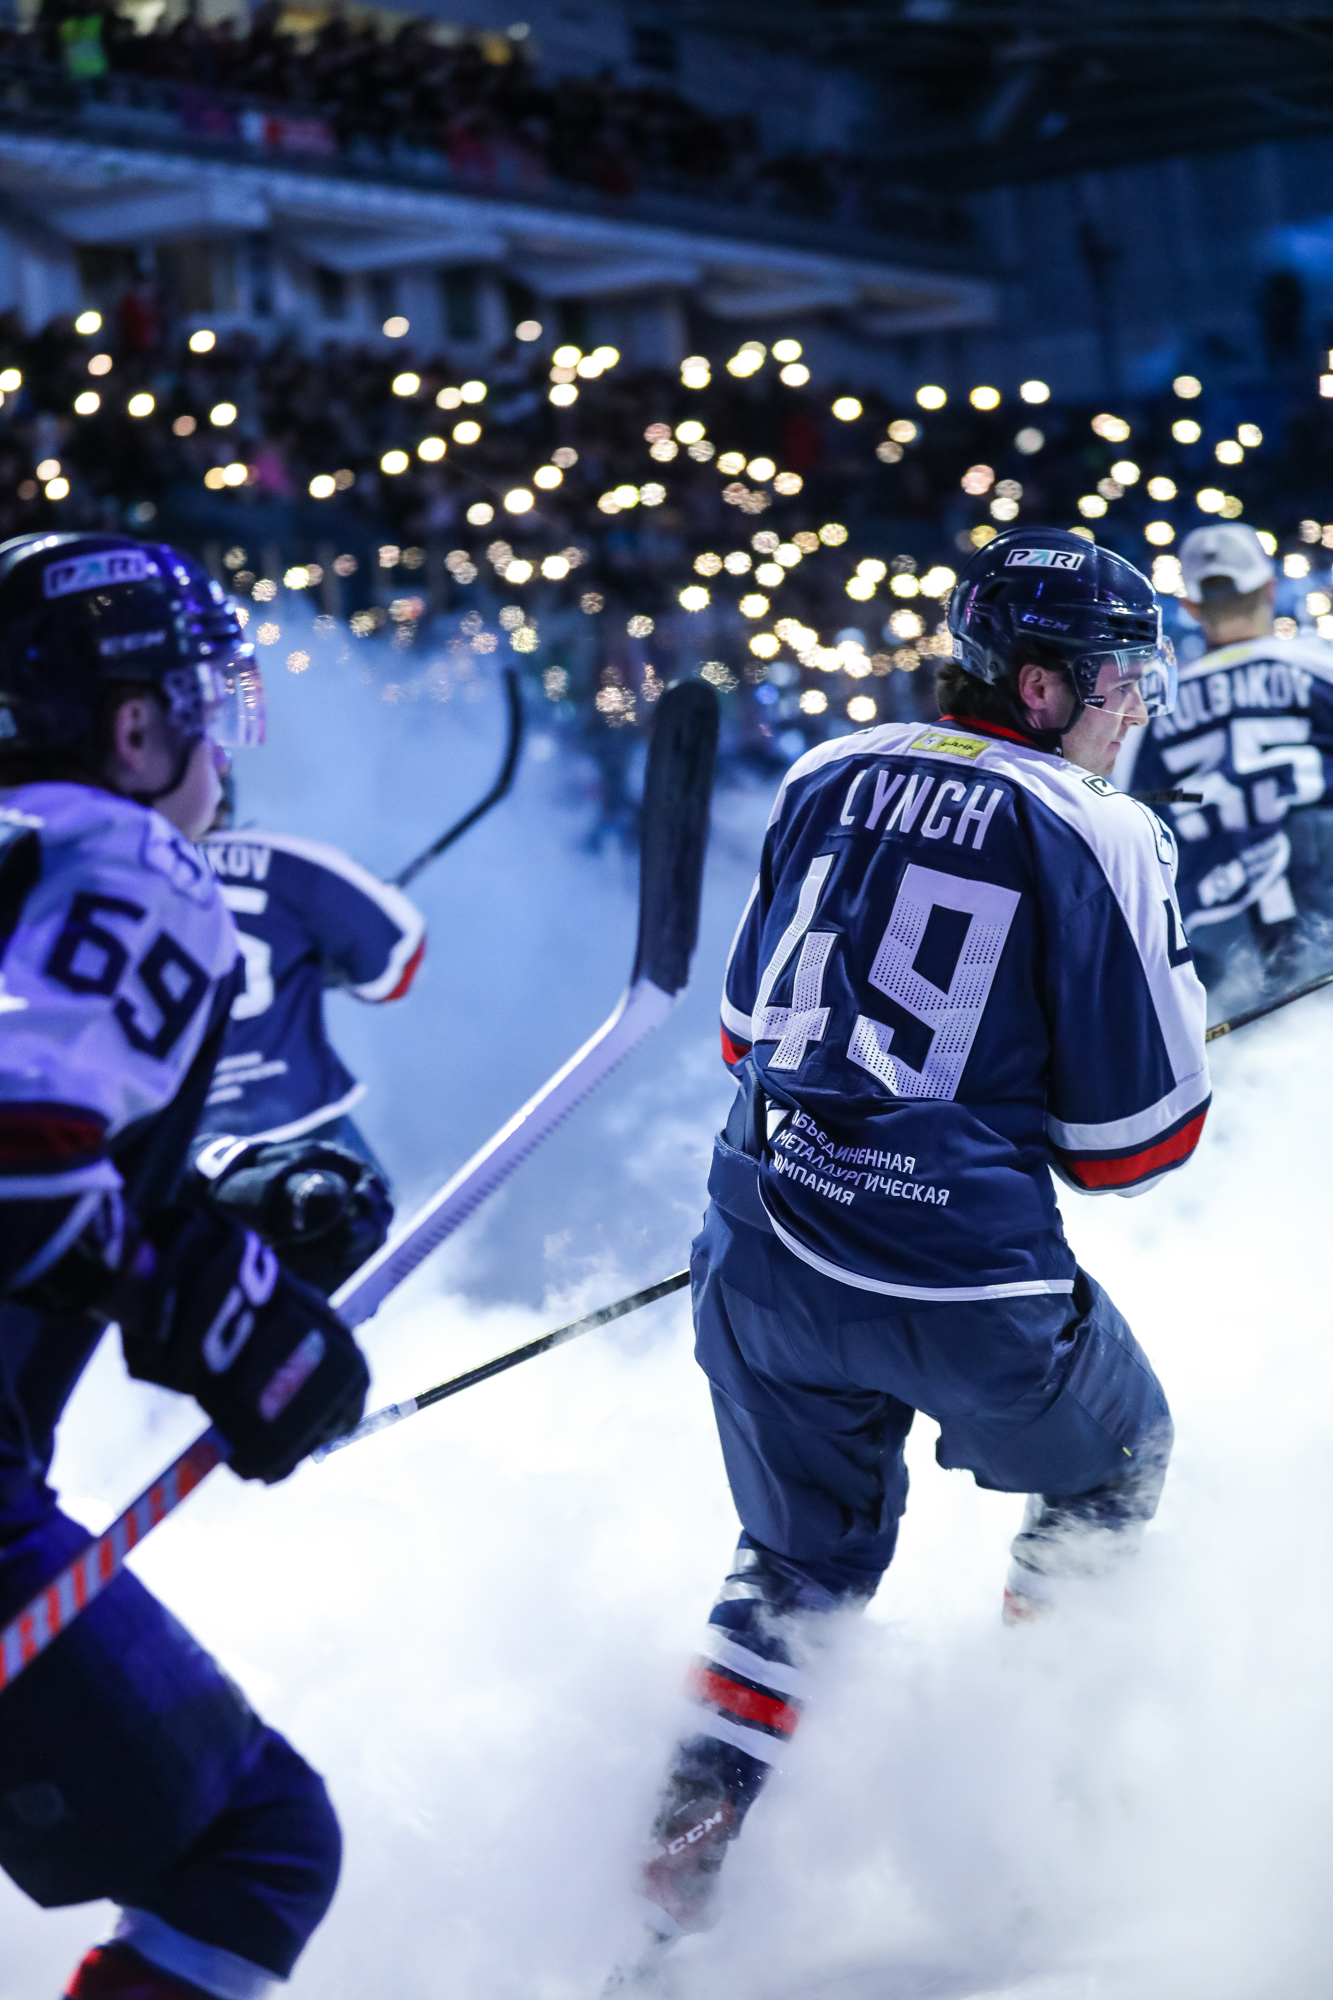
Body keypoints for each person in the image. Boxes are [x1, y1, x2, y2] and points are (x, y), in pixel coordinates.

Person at [610, 528, 1209, 1981]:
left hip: (760, 1249)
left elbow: (746, 1037)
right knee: (1115, 1458)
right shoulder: (1098, 825)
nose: (1136, 703)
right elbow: (1135, 1149)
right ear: (1040, 686)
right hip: (961, 1283)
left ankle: (663, 1888)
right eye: (1119, 676)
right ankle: (1034, 1808)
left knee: (794, 1564)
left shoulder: (825, 771)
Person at [0, 532, 370, 2000]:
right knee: (256, 1845)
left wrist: (196, 1208)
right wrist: (215, 1306)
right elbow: (20, 1149)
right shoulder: (120, 848)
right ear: (135, 727)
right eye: (198, 707)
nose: (218, 747)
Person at [189, 797, 425, 1292]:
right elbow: (396, 967)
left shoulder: (92, 872)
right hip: (305, 1125)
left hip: (178, 1152)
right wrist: (325, 962)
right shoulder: (284, 862)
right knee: (371, 1281)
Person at [1116, 521, 1333, 996]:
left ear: (1190, 606)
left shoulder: (1147, 714)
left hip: (1220, 964)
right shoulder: (1321, 665)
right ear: (1270, 588)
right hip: (1323, 912)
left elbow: (1133, 820)